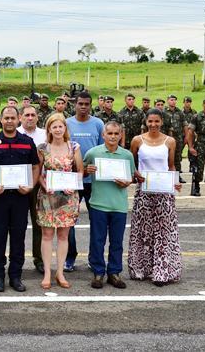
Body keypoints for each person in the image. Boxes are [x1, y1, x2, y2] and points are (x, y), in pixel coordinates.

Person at [0, 106, 41, 292]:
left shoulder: (27, 142)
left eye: (13, 118)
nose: (9, 121)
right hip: (0, 198)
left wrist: (30, 186)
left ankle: (15, 276)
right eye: (6, 118)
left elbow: (36, 166)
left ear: (19, 118)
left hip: (21, 198)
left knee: (18, 237)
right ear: (1, 119)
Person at [129, 109, 182, 286]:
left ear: (161, 122)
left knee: (163, 231)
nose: (153, 125)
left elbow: (171, 165)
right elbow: (132, 164)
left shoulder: (170, 141)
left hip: (164, 192)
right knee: (143, 230)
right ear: (146, 122)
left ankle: (162, 270)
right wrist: (136, 175)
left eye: (156, 121)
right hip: (144, 190)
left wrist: (175, 182)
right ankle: (140, 269)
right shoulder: (137, 140)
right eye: (150, 121)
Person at [83, 121, 135, 289]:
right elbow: (81, 170)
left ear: (120, 135)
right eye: (109, 133)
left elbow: (131, 176)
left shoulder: (127, 155)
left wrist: (126, 182)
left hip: (118, 205)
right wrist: (86, 170)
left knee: (117, 241)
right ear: (103, 135)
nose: (112, 137)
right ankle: (98, 271)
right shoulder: (93, 153)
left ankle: (114, 272)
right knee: (97, 240)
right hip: (98, 204)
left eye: (116, 133)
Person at [36, 113, 83, 289]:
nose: (57, 129)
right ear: (49, 129)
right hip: (48, 196)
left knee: (63, 235)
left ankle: (60, 272)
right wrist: (44, 184)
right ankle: (47, 273)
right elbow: (38, 172)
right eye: (53, 126)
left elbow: (79, 170)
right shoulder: (42, 148)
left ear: (65, 128)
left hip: (68, 197)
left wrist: (74, 185)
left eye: (60, 126)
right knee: (47, 235)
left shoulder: (74, 147)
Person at [64, 92, 104, 272]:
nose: (83, 107)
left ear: (91, 105)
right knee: (69, 221)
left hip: (93, 181)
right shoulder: (67, 124)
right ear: (75, 104)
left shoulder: (98, 124)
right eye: (80, 103)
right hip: (72, 180)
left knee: (97, 221)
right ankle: (70, 257)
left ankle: (94, 258)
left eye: (87, 104)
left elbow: (104, 150)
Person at [17, 105, 47, 274]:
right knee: (18, 223)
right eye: (26, 115)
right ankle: (18, 258)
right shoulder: (15, 133)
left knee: (39, 223)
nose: (30, 118)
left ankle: (39, 258)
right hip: (19, 184)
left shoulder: (44, 134)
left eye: (33, 115)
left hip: (38, 184)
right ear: (20, 117)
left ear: (37, 117)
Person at [164, 95, 188, 183]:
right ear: (168, 101)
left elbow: (185, 125)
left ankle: (177, 176)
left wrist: (186, 137)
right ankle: (167, 175)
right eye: (171, 100)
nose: (173, 101)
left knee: (177, 158)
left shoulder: (180, 112)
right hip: (166, 139)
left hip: (178, 138)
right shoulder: (164, 112)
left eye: (174, 100)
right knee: (166, 157)